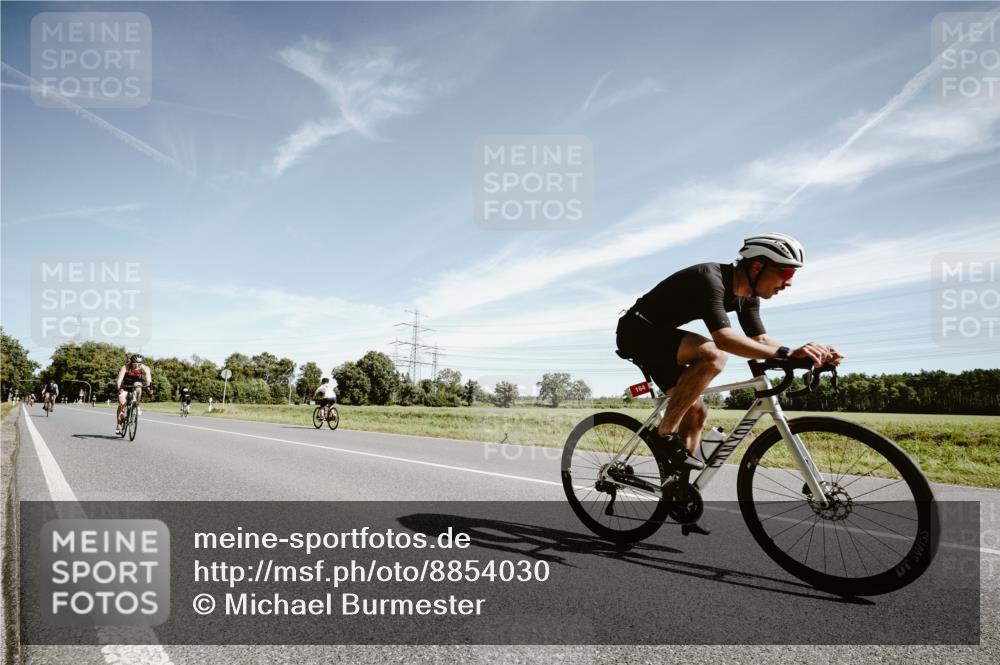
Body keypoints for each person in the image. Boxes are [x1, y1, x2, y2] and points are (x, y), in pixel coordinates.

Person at [616, 232, 843, 472]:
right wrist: (787, 353)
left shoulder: (748, 298)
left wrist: (807, 355)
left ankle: (677, 486)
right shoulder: (709, 279)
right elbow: (724, 339)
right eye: (786, 272)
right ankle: (664, 436)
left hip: (663, 344)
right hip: (636, 333)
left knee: (696, 413)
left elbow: (762, 341)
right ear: (758, 266)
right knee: (714, 354)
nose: (789, 283)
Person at [116, 354, 152, 433]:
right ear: (131, 362)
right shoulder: (126, 367)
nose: (137, 366)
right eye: (135, 364)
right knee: (122, 403)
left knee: (139, 387)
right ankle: (119, 424)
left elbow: (149, 380)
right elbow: (119, 380)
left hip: (136, 382)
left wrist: (150, 388)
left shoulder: (145, 368)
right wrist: (119, 389)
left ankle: (136, 405)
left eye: (139, 364)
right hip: (125, 384)